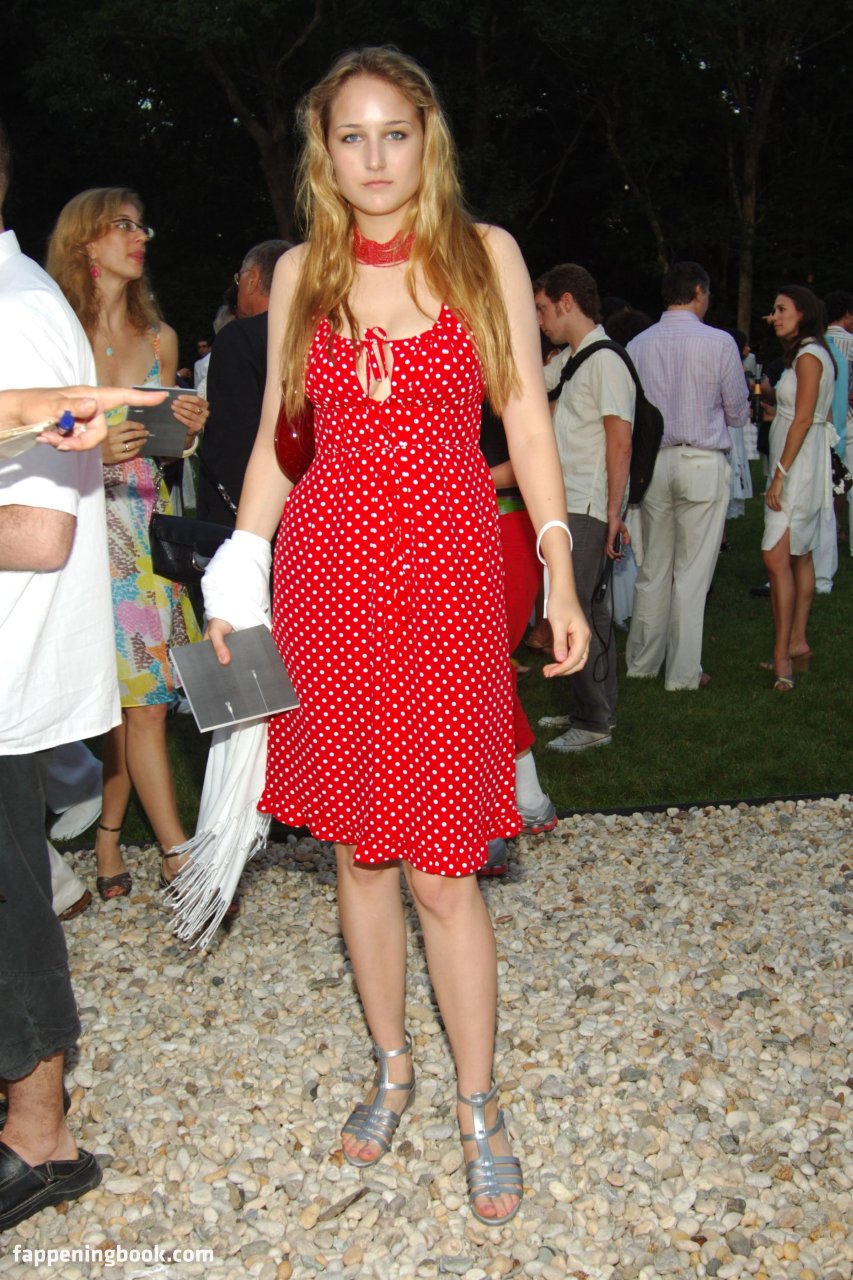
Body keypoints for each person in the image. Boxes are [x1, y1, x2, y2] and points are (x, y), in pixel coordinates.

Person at [204, 46, 590, 1226]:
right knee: (357, 855)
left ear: (429, 141)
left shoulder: (483, 254)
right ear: (324, 154)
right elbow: (281, 438)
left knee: (441, 868)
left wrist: (560, 565)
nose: (373, 158)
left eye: (393, 133)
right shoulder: (303, 271)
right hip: (326, 581)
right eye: (350, 136)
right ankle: (391, 1065)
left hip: (445, 585)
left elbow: (525, 417)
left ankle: (479, 1102)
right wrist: (238, 564)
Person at [47, 189, 206, 900]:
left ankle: (131, 840)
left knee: (145, 701)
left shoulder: (160, 337)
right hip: (83, 533)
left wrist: (186, 428)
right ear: (86, 241)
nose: (141, 236)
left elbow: (164, 448)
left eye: (142, 225)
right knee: (126, 704)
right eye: (123, 225)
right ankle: (168, 853)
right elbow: (30, 434)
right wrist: (91, 449)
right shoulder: (55, 331)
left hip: (146, 532)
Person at [625, 261, 749, 690]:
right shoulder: (719, 342)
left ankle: (642, 663)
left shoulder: (638, 344)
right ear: (699, 291)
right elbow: (737, 411)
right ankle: (682, 674)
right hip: (701, 461)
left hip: (655, 464)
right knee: (692, 575)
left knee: (653, 569)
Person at [534, 264, 635, 753]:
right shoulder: (575, 360)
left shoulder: (606, 361)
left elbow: (620, 441)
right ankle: (594, 710)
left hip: (587, 505)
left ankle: (594, 722)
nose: (539, 321)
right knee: (590, 611)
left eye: (542, 309)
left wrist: (614, 513)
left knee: (575, 611)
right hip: (571, 501)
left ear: (567, 302)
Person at [761, 286, 836, 690]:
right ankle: (796, 642)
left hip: (798, 466)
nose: (774, 316)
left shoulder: (809, 356)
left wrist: (780, 474)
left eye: (781, 309)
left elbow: (805, 419)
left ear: (803, 313)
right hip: (802, 460)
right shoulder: (812, 354)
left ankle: (782, 656)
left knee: (775, 557)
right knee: (799, 555)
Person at [197, 239, 291, 527]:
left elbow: (231, 440)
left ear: (253, 280)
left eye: (239, 280)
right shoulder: (320, 334)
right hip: (308, 508)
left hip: (250, 511)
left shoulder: (240, 337)